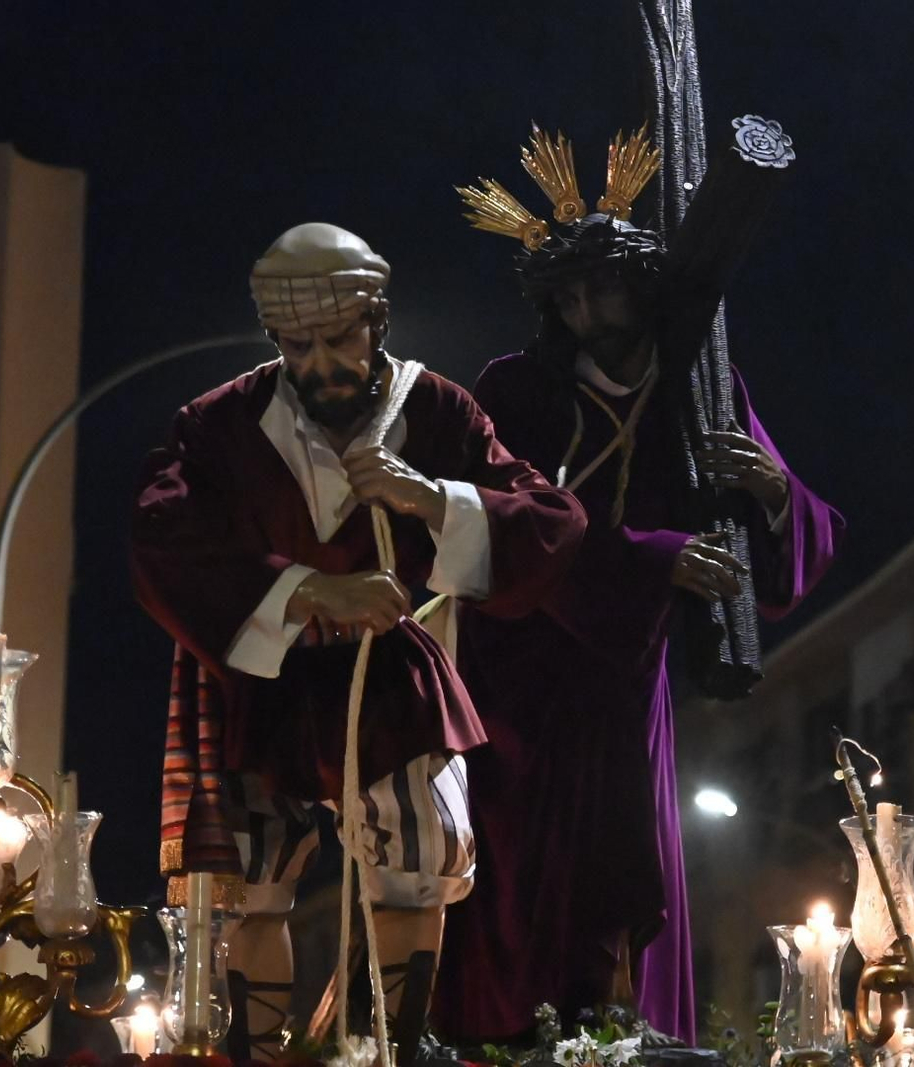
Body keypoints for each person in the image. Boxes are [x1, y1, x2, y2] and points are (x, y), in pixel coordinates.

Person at [131, 222, 586, 1061]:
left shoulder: (437, 410)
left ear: (377, 320)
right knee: (249, 886)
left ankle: (389, 1052)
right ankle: (262, 1057)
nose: (320, 365)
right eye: (296, 344)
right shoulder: (219, 422)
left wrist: (430, 498)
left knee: (415, 863)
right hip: (263, 677)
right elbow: (161, 537)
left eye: (339, 339)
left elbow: (552, 523)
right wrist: (311, 589)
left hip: (387, 673)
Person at [435, 127, 845, 1043]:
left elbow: (787, 544)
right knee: (521, 874)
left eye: (604, 286)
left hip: (627, 680)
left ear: (643, 284)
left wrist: (773, 492)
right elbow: (497, 528)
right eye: (569, 295)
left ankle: (618, 1032)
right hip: (520, 673)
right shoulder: (515, 391)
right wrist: (653, 557)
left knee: (623, 859)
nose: (587, 310)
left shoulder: (699, 386)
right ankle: (519, 1040)